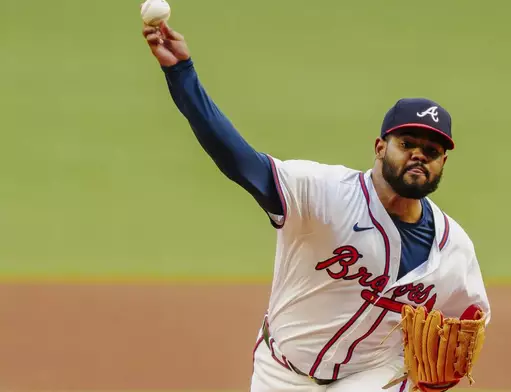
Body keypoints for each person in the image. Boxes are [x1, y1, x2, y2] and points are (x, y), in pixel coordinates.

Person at [142, 21, 491, 392]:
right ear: (379, 148)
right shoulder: (323, 193)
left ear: (442, 165)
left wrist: (444, 373)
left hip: (372, 377)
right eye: (407, 144)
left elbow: (470, 317)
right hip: (283, 371)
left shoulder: (453, 248)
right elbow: (237, 159)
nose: (419, 155)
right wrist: (181, 73)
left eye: (432, 152)